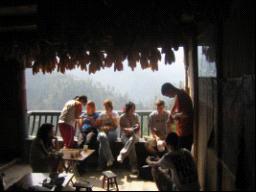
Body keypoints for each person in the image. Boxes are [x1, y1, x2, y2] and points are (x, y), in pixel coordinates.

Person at [161, 83, 194, 151]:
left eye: (167, 95)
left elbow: (186, 114)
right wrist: (170, 117)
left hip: (186, 132)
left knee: (183, 156)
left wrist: (174, 116)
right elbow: (174, 111)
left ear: (170, 89)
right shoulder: (178, 96)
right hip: (180, 131)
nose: (169, 97)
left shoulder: (183, 96)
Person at [117, 102, 140, 174]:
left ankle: (122, 154)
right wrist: (128, 130)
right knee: (131, 145)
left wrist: (133, 129)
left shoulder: (136, 116)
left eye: (134, 108)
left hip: (134, 135)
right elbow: (123, 129)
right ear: (128, 109)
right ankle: (134, 167)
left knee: (132, 138)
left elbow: (138, 127)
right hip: (125, 135)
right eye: (133, 108)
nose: (134, 110)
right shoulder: (122, 117)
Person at [97, 99, 119, 169]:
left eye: (107, 106)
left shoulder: (115, 113)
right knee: (102, 137)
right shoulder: (102, 114)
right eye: (105, 106)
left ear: (110, 106)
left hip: (112, 132)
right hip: (103, 132)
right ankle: (110, 158)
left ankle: (101, 165)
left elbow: (115, 126)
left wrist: (111, 117)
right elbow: (98, 126)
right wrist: (103, 128)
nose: (106, 108)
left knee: (102, 142)